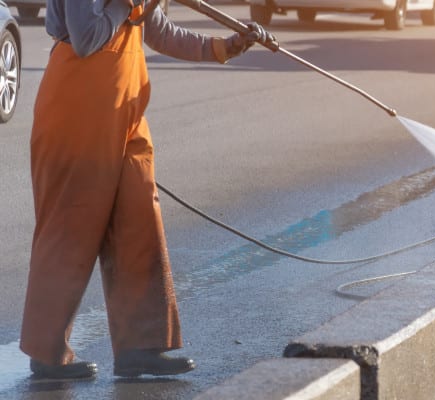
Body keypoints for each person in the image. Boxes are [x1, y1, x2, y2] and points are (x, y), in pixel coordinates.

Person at [19, 0, 277, 380]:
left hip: (124, 109)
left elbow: (160, 32)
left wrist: (224, 46)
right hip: (76, 110)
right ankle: (47, 353)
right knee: (69, 228)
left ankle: (139, 346)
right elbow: (86, 37)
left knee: (138, 218)